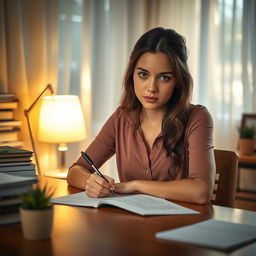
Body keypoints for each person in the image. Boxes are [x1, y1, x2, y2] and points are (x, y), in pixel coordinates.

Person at [67, 27, 216, 204]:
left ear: (178, 80)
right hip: (131, 224)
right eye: (143, 74)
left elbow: (201, 191)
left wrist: (135, 185)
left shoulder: (197, 117)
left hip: (180, 226)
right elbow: (75, 171)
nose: (151, 87)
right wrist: (91, 182)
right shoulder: (121, 117)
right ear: (132, 75)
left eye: (164, 77)